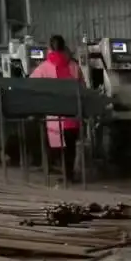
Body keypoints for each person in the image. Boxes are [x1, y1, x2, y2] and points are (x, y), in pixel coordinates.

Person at [30, 35, 83, 183]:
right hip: (72, 114)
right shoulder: (74, 66)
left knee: (56, 147)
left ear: (49, 48)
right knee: (70, 147)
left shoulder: (44, 67)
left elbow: (30, 85)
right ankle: (69, 175)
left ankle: (56, 171)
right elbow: (82, 87)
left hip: (55, 115)